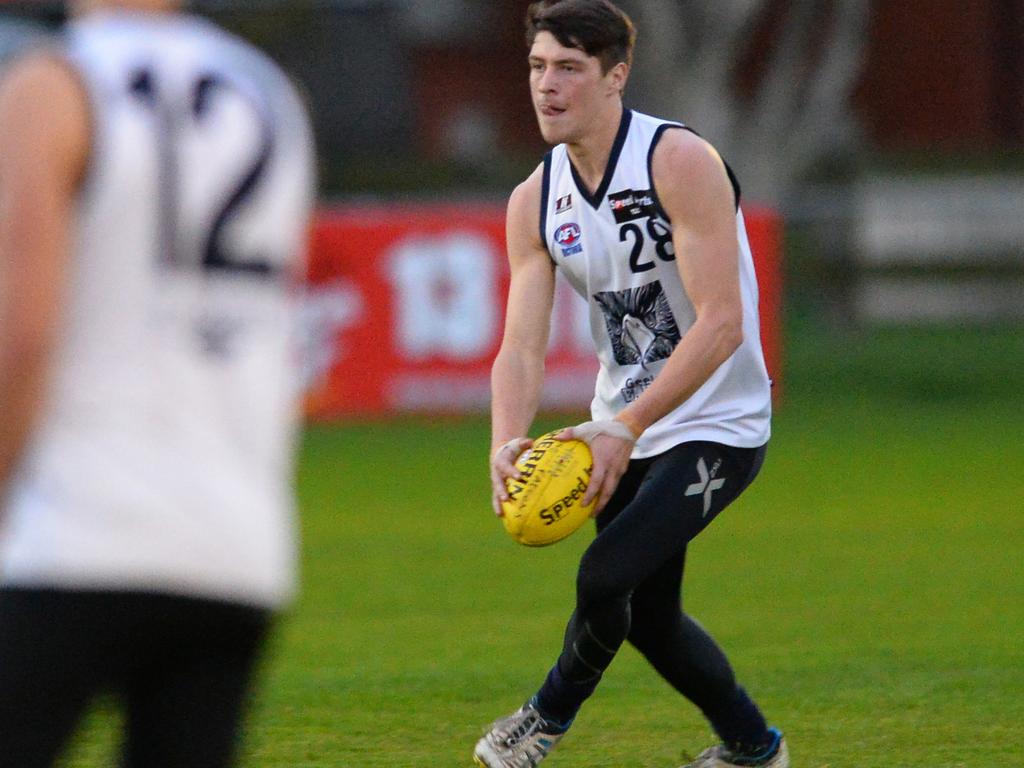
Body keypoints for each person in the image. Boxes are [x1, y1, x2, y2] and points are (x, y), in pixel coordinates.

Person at [0, 1, 315, 766]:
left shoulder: (53, 82)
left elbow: (21, 334)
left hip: (75, 531)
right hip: (235, 548)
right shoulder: (269, 92)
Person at [476, 2, 788, 767]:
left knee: (605, 572)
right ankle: (754, 748)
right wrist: (507, 438)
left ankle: (544, 718)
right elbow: (520, 344)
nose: (547, 87)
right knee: (647, 617)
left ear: (616, 76)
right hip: (619, 426)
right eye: (537, 67)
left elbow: (722, 325)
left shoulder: (678, 162)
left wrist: (627, 425)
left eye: (570, 69)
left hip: (718, 421)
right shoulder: (534, 200)